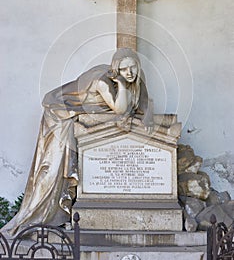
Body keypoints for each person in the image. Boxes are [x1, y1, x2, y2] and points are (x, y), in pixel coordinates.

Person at [2, 48, 154, 236]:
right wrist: (121, 85)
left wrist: (147, 117)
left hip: (81, 114)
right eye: (124, 70)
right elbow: (121, 110)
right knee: (53, 170)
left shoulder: (135, 76)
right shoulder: (103, 83)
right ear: (116, 69)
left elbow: (144, 99)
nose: (129, 73)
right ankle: (40, 214)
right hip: (60, 115)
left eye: (133, 68)